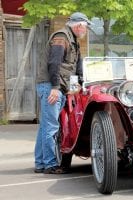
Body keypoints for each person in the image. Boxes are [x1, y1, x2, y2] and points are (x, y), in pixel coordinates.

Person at [34, 12, 91, 174]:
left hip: (58, 87)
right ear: (79, 26)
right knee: (52, 126)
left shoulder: (73, 40)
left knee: (46, 126)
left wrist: (82, 83)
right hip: (52, 87)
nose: (85, 31)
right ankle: (50, 164)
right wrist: (54, 87)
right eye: (85, 27)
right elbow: (54, 63)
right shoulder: (61, 37)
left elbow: (77, 67)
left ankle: (40, 163)